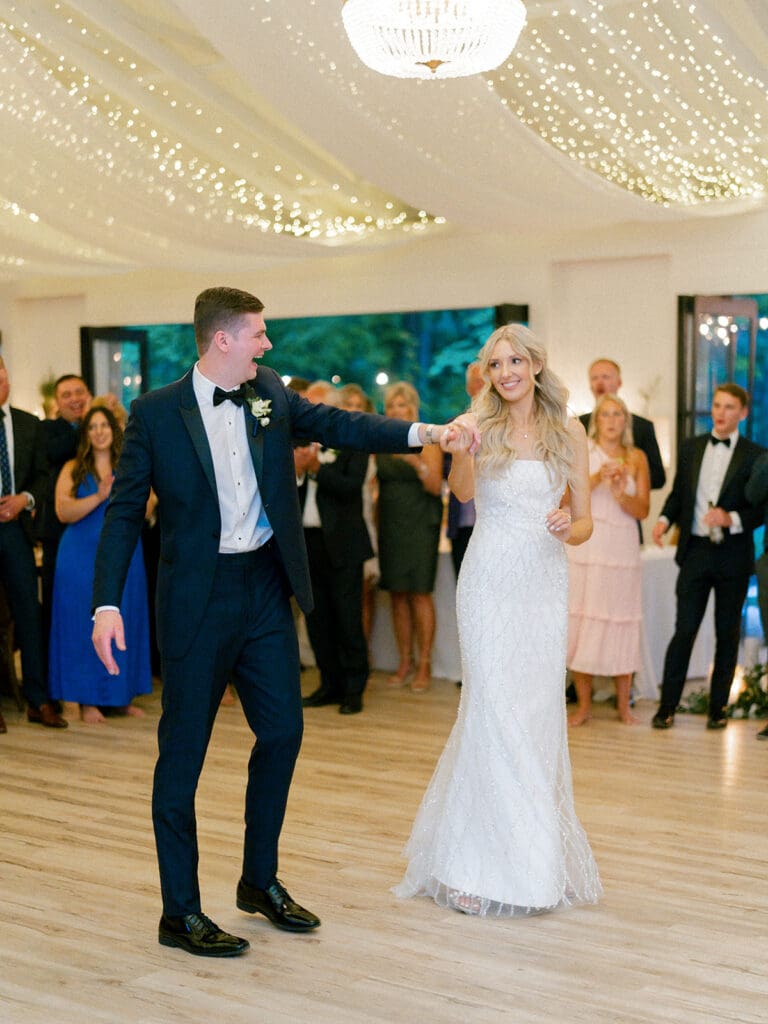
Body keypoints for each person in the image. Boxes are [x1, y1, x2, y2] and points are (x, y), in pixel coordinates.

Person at [91, 286, 470, 958]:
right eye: (258, 333)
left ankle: (258, 881)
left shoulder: (267, 390)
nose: (267, 344)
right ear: (223, 340)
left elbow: (343, 426)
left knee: (285, 732)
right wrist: (106, 603)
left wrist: (427, 433)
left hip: (265, 590)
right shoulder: (154, 413)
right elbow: (123, 512)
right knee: (182, 757)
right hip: (196, 602)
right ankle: (180, 911)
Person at [394, 324, 602, 917]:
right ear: (488, 373)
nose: (506, 372)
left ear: (535, 365)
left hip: (542, 582)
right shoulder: (476, 423)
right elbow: (461, 494)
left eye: (515, 361)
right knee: (490, 709)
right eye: (496, 363)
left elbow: (585, 522)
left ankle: (533, 865)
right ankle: (470, 864)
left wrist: (567, 527)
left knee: (533, 716)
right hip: (487, 581)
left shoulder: (569, 429)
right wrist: (462, 448)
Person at [651, 384, 765, 731]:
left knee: (727, 633)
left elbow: (760, 508)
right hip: (696, 552)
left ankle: (718, 709)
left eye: (729, 407)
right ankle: (667, 707)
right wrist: (664, 519)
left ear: (742, 413)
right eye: (717, 405)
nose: (720, 412)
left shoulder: (756, 454)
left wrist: (732, 519)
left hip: (733, 554)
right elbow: (678, 495)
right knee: (684, 629)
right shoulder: (691, 448)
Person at [49, 407, 151, 724]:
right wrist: (100, 496)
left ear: (114, 429)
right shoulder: (73, 468)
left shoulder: (130, 464)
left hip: (124, 554)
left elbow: (148, 507)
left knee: (127, 619)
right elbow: (63, 511)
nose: (99, 431)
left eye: (104, 424)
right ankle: (87, 701)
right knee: (82, 625)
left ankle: (121, 697)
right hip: (79, 557)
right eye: (92, 426)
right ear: (86, 434)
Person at [566, 394, 650, 725]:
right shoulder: (583, 451)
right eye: (606, 414)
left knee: (620, 617)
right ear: (596, 420)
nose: (612, 420)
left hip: (621, 546)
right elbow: (565, 497)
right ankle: (583, 706)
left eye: (618, 414)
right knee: (584, 617)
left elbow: (642, 509)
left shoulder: (637, 457)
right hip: (588, 543)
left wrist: (618, 491)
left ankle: (624, 706)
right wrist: (598, 477)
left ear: (625, 421)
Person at [296, 382, 373, 715]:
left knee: (347, 619)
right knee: (318, 620)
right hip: (308, 542)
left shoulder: (352, 440)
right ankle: (328, 683)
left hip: (343, 543)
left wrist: (317, 469)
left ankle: (354, 688)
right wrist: (299, 472)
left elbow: (351, 487)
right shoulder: (299, 441)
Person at [0, 357, 67, 731]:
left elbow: (43, 478)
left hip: (17, 531)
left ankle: (38, 700)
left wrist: (24, 499)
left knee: (30, 612)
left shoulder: (29, 424)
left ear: (8, 377)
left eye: (1, 373)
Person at [376, 381, 444, 693]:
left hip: (420, 524)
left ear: (413, 408)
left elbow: (435, 486)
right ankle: (404, 661)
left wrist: (414, 461)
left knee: (419, 593)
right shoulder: (382, 441)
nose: (396, 410)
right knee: (397, 594)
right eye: (391, 405)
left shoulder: (427, 439)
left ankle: (424, 663)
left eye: (401, 405)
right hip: (390, 524)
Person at [37, 374, 91, 646]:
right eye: (66, 395)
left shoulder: (101, 427)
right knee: (57, 598)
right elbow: (57, 452)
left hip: (93, 526)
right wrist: (89, 424)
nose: (74, 399)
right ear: (57, 402)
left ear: (88, 394)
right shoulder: (47, 430)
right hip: (57, 529)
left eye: (79, 392)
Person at [579, 359, 666, 492]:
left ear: (619, 382)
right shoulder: (577, 425)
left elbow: (658, 478)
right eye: (594, 378)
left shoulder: (642, 427)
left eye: (605, 377)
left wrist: (630, 473)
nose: (600, 382)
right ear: (590, 385)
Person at [446, 361, 484, 577]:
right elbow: (446, 472)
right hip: (462, 521)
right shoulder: (454, 426)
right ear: (469, 388)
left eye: (485, 381)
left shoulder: (507, 427)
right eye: (477, 382)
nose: (482, 386)